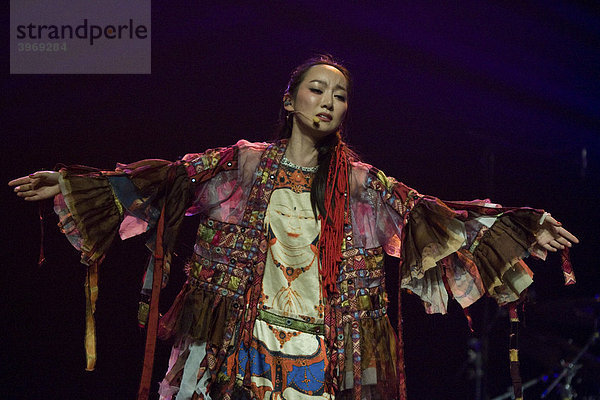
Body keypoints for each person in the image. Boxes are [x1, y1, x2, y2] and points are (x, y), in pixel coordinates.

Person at [9, 55, 579, 400]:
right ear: (289, 99)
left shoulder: (360, 185)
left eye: (341, 95)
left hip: (315, 351)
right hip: (234, 342)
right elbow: (166, 181)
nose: (328, 101)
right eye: (316, 89)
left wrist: (523, 227)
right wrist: (68, 185)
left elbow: (434, 216)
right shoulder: (243, 164)